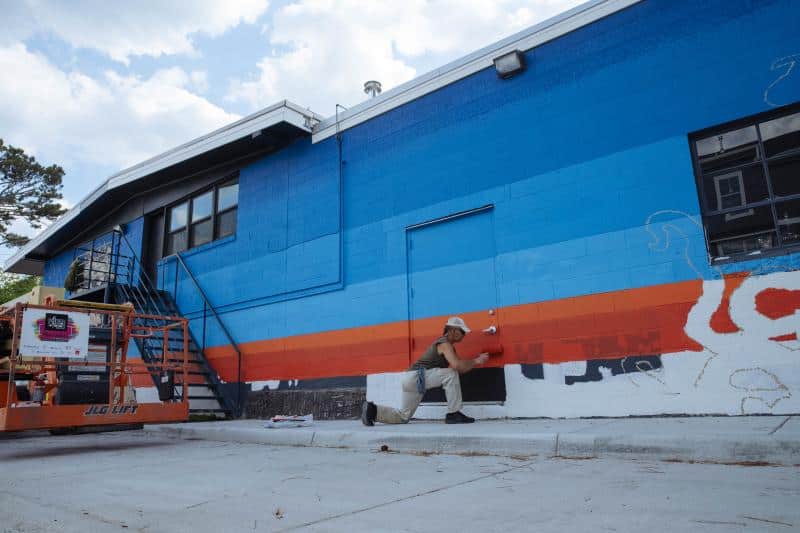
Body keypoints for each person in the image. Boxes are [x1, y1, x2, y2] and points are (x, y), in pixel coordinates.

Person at [361, 316, 489, 425]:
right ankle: (454, 413)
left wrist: (474, 362)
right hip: (418, 377)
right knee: (450, 373)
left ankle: (372, 411)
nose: (464, 336)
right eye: (463, 332)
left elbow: (460, 368)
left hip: (410, 379)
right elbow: (456, 366)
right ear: (454, 331)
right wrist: (477, 361)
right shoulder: (444, 344)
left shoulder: (445, 345)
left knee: (403, 416)